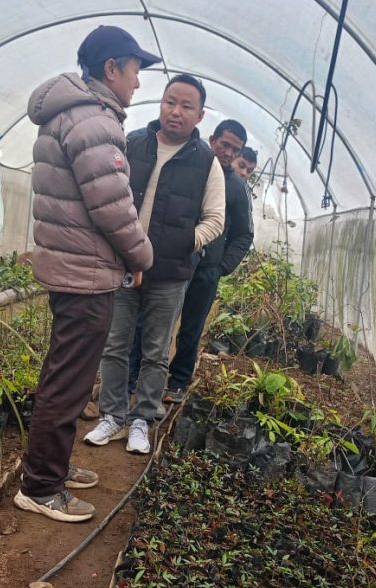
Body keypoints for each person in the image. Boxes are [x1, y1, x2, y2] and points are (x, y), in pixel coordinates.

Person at [14, 25, 158, 523]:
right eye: (134, 70)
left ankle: (49, 465)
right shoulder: (93, 120)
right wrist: (141, 257)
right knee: (68, 381)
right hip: (85, 273)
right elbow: (113, 206)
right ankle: (41, 486)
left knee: (65, 375)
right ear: (111, 68)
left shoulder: (71, 113)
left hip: (73, 267)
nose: (137, 82)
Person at [85, 74, 225, 455]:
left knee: (156, 351)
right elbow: (108, 195)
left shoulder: (206, 162)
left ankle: (141, 419)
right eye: (169, 102)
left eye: (186, 106)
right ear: (160, 103)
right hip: (123, 266)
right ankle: (112, 415)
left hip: (169, 274)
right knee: (115, 345)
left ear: (200, 116)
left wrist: (181, 245)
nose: (175, 111)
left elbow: (215, 220)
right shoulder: (132, 144)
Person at [164, 120, 254, 401]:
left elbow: (244, 234)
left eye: (235, 150)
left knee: (192, 327)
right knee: (160, 320)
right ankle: (144, 376)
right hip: (173, 261)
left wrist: (221, 267)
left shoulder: (236, 187)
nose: (228, 152)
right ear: (213, 139)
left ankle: (178, 381)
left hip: (206, 270)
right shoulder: (190, 170)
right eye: (224, 144)